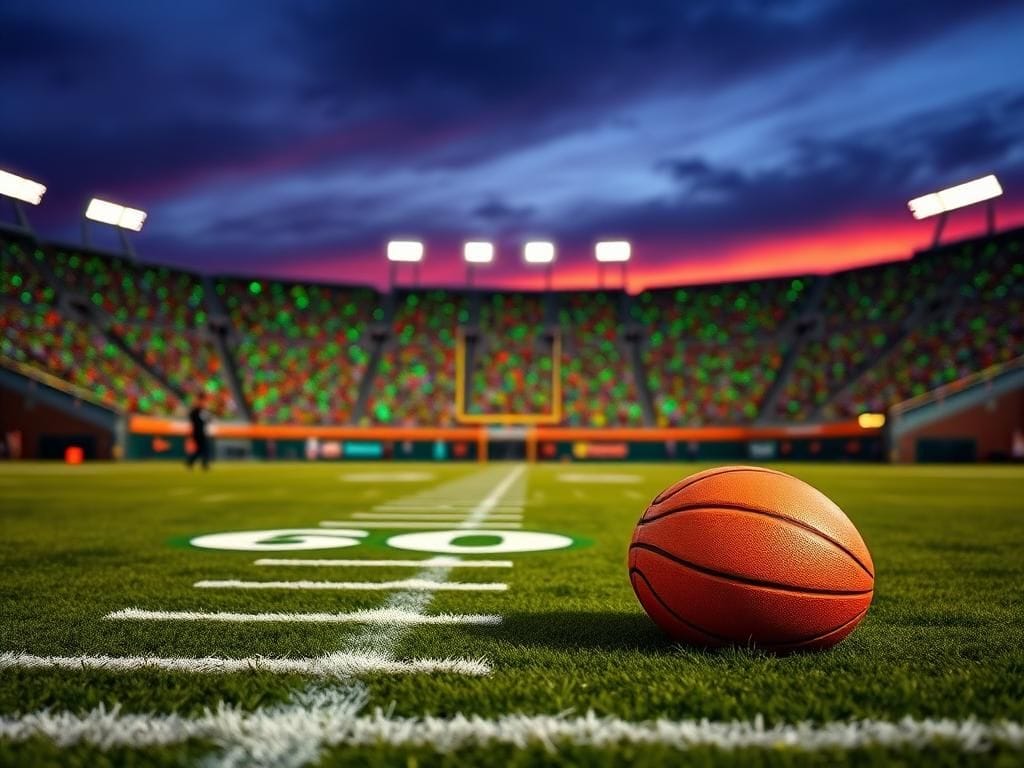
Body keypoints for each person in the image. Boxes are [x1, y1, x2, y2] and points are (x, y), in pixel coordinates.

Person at [186, 394, 212, 471]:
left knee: (200, 449)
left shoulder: (202, 411)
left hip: (200, 432)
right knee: (204, 449)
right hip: (198, 433)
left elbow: (208, 420)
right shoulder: (196, 411)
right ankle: (203, 464)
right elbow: (196, 420)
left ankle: (191, 462)